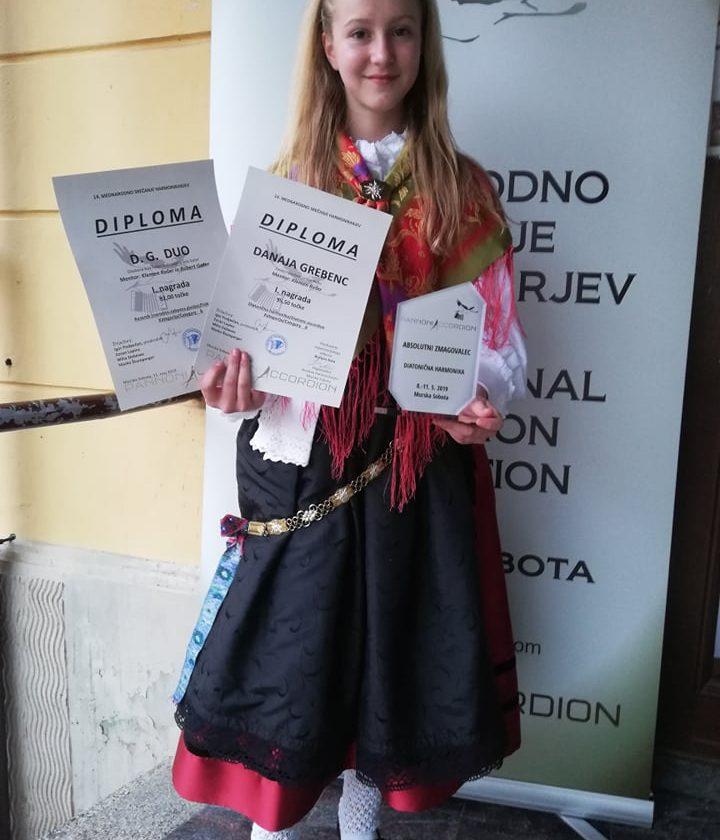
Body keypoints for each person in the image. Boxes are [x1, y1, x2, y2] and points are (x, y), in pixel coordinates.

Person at [170, 1, 527, 838]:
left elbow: (502, 344)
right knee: (291, 662)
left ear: (424, 44)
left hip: (414, 470)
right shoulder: (290, 187)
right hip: (306, 468)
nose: (381, 53)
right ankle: (272, 828)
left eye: (401, 30)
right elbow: (244, 347)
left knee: (387, 660)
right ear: (327, 43)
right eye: (360, 31)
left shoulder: (463, 190)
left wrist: (478, 398)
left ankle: (359, 827)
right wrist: (231, 390)